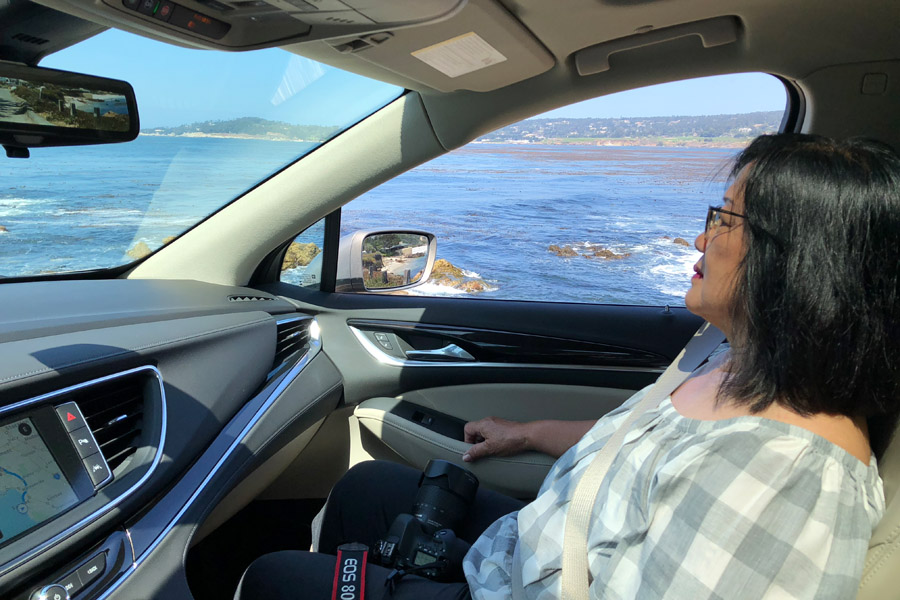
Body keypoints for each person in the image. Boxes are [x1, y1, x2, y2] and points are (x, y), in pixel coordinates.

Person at [235, 133, 900, 599]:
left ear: (797, 264)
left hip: (531, 583)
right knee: (364, 490)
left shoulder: (786, 475)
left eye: (726, 219)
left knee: (272, 578)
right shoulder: (733, 354)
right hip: (534, 553)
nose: (701, 238)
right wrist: (527, 433)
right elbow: (648, 445)